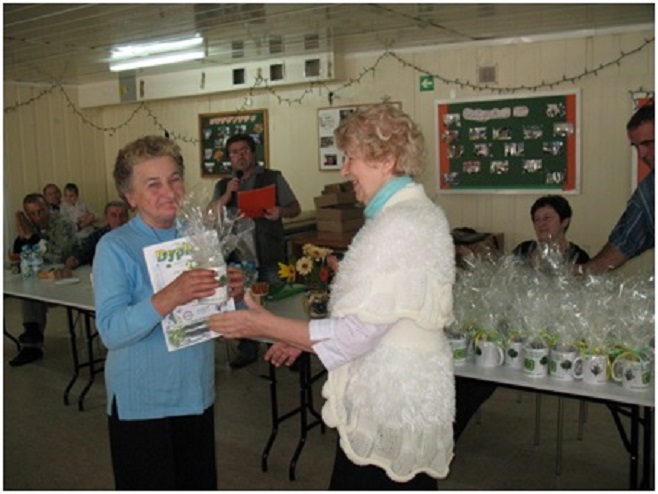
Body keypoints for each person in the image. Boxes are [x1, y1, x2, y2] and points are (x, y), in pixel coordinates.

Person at [209, 104, 456, 489]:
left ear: (386, 159)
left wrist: (265, 324)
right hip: (398, 403)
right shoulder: (408, 215)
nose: (344, 170)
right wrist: (299, 339)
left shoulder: (401, 225)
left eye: (351, 158)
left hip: (390, 407)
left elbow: (358, 333)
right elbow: (377, 318)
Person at [93, 135, 246, 490]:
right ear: (130, 196)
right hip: (142, 404)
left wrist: (233, 294)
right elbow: (111, 331)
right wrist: (171, 295)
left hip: (195, 394)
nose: (169, 191)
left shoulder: (198, 236)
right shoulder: (114, 247)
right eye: (153, 184)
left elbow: (218, 316)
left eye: (174, 179)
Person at [211, 133, 301, 369]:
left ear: (253, 153)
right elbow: (211, 215)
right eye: (234, 153)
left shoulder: (272, 177)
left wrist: (280, 211)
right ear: (229, 158)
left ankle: (288, 348)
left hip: (269, 249)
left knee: (279, 301)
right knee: (243, 302)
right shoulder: (223, 184)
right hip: (239, 256)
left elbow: (295, 207)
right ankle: (248, 348)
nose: (240, 156)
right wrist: (227, 194)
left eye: (244, 151)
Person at [581, 103, 654, 275]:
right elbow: (624, 242)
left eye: (647, 143)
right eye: (636, 146)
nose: (641, 154)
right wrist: (578, 272)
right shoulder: (649, 193)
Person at [10, 193, 78, 366]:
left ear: (48, 208)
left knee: (33, 288)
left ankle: (32, 339)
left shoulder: (63, 224)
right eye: (32, 214)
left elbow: (59, 256)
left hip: (69, 277)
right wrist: (24, 236)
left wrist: (33, 239)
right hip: (43, 277)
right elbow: (18, 253)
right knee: (28, 287)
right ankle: (32, 338)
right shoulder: (31, 226)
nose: (38, 217)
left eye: (41, 211)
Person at [512, 195, 590, 266]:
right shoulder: (523, 250)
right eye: (537, 219)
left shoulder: (578, 257)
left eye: (547, 218)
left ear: (564, 222)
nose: (541, 224)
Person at [64, 200, 129, 269]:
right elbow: (84, 251)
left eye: (122, 215)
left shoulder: (135, 235)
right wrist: (75, 259)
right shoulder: (98, 235)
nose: (118, 220)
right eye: (113, 215)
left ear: (128, 217)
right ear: (106, 218)